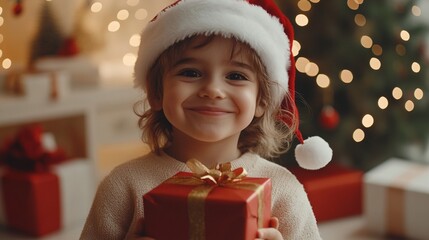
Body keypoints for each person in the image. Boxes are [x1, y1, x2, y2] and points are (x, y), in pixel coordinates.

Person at [80, 0, 332, 239]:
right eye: (190, 72)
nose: (213, 89)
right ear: (156, 92)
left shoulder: (283, 189)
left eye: (235, 76)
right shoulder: (123, 186)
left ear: (262, 101)